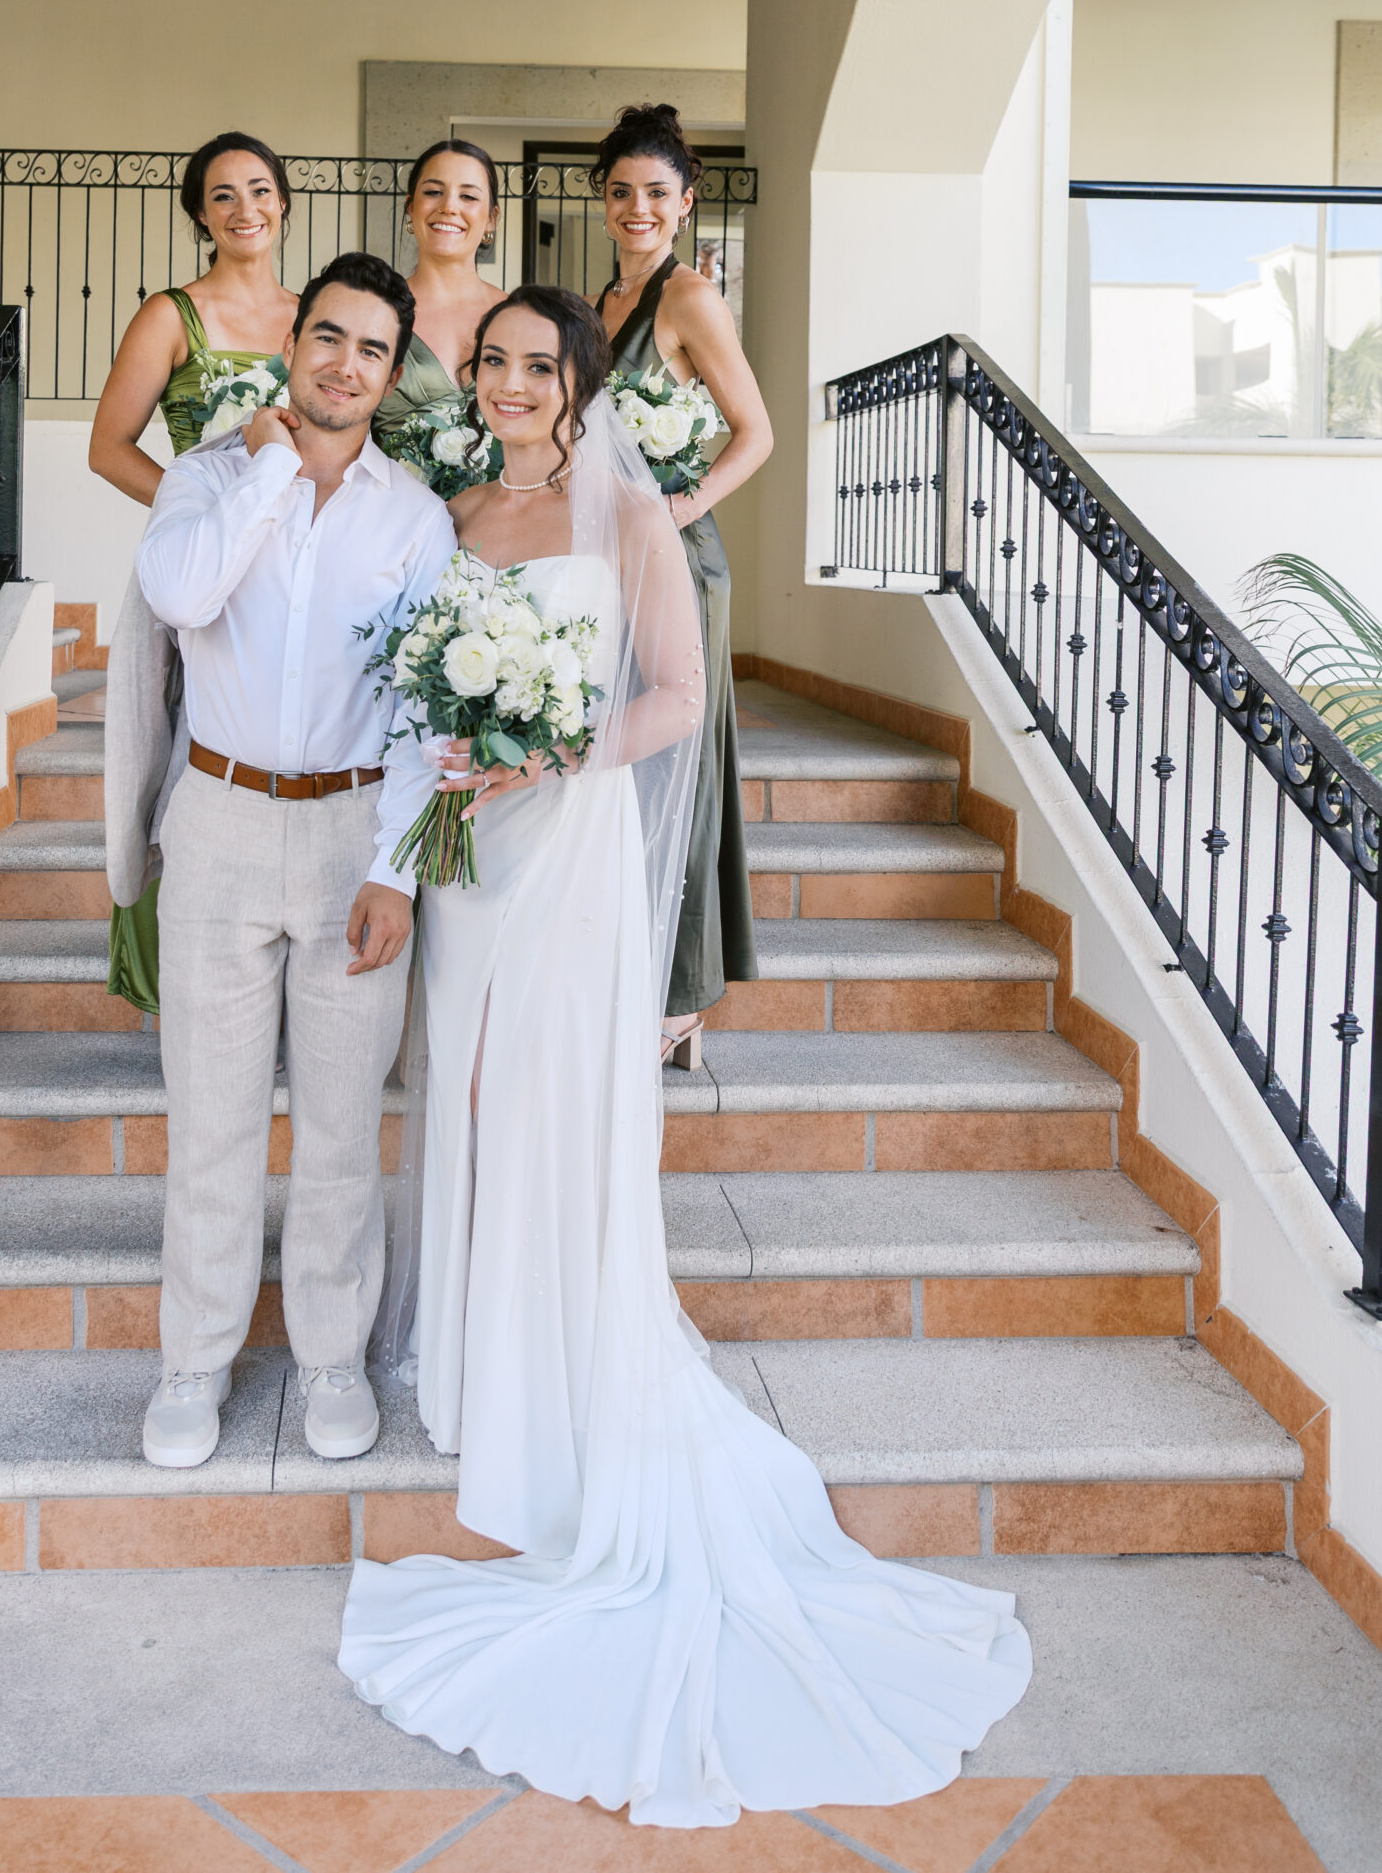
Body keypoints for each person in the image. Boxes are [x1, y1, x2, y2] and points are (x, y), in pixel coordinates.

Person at [338, 287, 1031, 1827]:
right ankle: (468, 1357)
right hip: (465, 865)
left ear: (580, 383)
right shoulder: (450, 509)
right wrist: (455, 763)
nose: (513, 385)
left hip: (567, 849)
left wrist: (543, 752)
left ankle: (560, 1373)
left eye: (540, 366)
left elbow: (671, 693)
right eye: (495, 364)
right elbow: (409, 684)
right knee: (462, 1088)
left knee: (548, 1100)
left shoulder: (624, 509)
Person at [133, 253, 454, 1470]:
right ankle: (195, 1360)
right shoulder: (209, 480)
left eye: (373, 349)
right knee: (209, 1116)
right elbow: (181, 591)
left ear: (389, 373)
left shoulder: (415, 517)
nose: (345, 363)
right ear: (294, 346)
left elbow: (428, 714)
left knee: (336, 1126)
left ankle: (330, 1350)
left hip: (349, 838)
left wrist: (398, 871)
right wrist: (269, 466)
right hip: (215, 824)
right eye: (329, 336)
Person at [90, 133, 299, 1020]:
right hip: (200, 578)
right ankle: (175, 969)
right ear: (199, 215)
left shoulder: (315, 311)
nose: (244, 208)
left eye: (259, 190)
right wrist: (193, 520)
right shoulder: (170, 314)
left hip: (298, 579)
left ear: (283, 202)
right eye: (222, 196)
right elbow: (107, 448)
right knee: (174, 761)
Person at [592, 104, 772, 1066]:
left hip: (677, 556)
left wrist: (681, 505)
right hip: (609, 565)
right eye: (620, 191)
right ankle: (631, 960)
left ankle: (682, 996)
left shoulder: (688, 297)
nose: (636, 208)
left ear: (685, 201)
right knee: (628, 767)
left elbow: (757, 433)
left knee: (681, 767)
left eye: (655, 193)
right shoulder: (602, 303)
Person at [372, 139, 505, 454]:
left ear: (491, 219)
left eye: (469, 196)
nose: (449, 206)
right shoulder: (375, 313)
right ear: (410, 206)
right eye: (433, 192)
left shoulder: (519, 317)